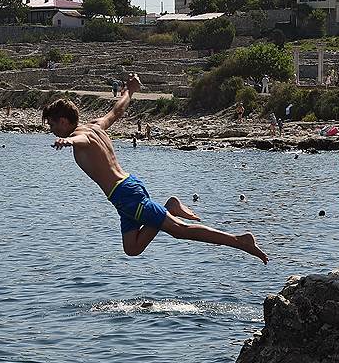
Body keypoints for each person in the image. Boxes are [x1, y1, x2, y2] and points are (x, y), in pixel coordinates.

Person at [42, 74, 268, 263]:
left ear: (63, 121)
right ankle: (168, 208)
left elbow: (83, 142)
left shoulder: (79, 136)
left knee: (180, 230)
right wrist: (130, 91)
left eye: (52, 124)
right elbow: (116, 112)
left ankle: (240, 240)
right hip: (124, 193)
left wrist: (67, 142)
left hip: (127, 195)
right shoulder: (95, 126)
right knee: (132, 248)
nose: (51, 130)